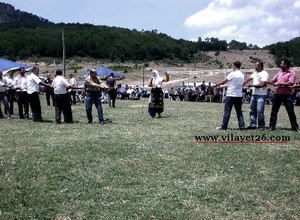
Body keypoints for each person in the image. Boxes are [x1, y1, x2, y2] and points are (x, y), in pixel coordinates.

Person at [268, 59, 299, 132]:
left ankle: (295, 127)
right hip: (277, 94)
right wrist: (269, 81)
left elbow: (290, 83)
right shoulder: (279, 72)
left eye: (281, 63)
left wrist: (279, 84)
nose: (280, 65)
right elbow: (273, 80)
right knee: (274, 111)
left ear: (285, 65)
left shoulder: (292, 73)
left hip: (287, 95)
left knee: (290, 111)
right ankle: (271, 126)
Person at [215, 61, 245, 130]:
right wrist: (223, 86)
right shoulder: (242, 75)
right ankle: (242, 126)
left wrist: (217, 84)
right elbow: (233, 84)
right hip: (238, 95)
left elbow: (224, 81)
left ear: (234, 66)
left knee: (227, 111)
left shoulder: (232, 74)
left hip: (231, 95)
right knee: (239, 111)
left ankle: (224, 126)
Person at [243, 61, 269, 131]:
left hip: (261, 95)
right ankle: (253, 125)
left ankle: (261, 126)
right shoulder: (255, 73)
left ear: (260, 66)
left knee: (260, 111)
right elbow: (248, 79)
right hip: (254, 95)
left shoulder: (264, 73)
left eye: (256, 66)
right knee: (252, 110)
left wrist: (252, 85)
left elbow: (262, 84)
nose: (255, 67)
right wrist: (242, 83)